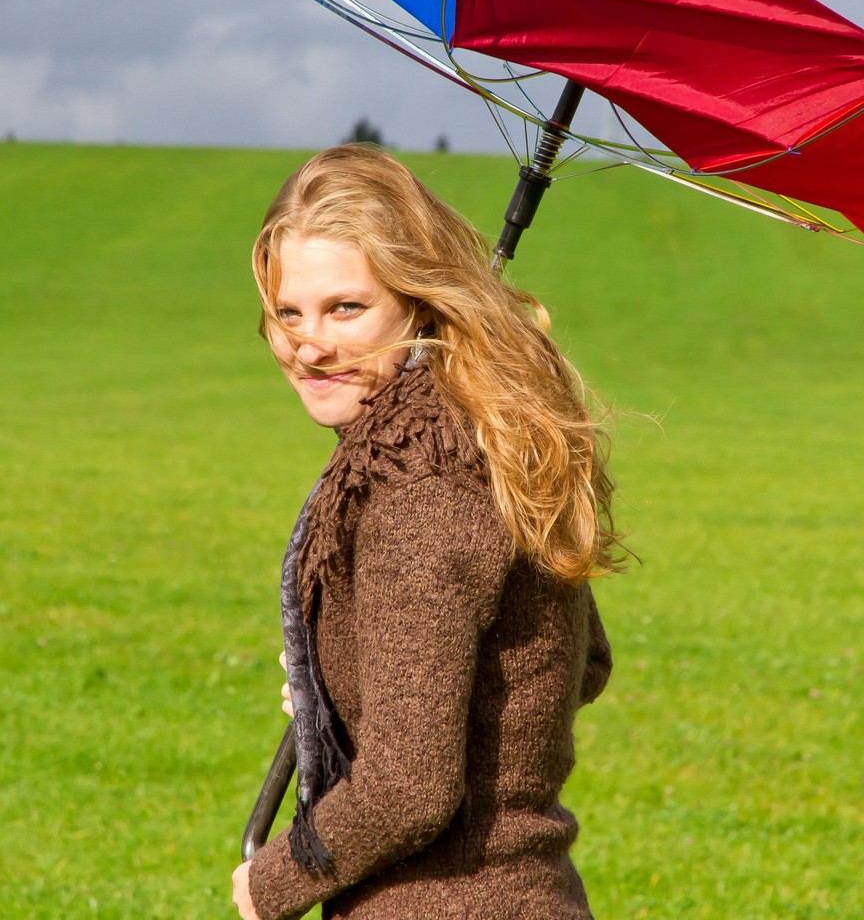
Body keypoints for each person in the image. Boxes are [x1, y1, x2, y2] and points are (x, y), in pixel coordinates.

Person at [231, 144, 619, 920]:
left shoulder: (422, 487)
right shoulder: (484, 440)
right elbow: (585, 666)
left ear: (418, 303)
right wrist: (358, 684)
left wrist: (271, 884)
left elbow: (409, 787)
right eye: (287, 313)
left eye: (346, 308)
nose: (309, 345)